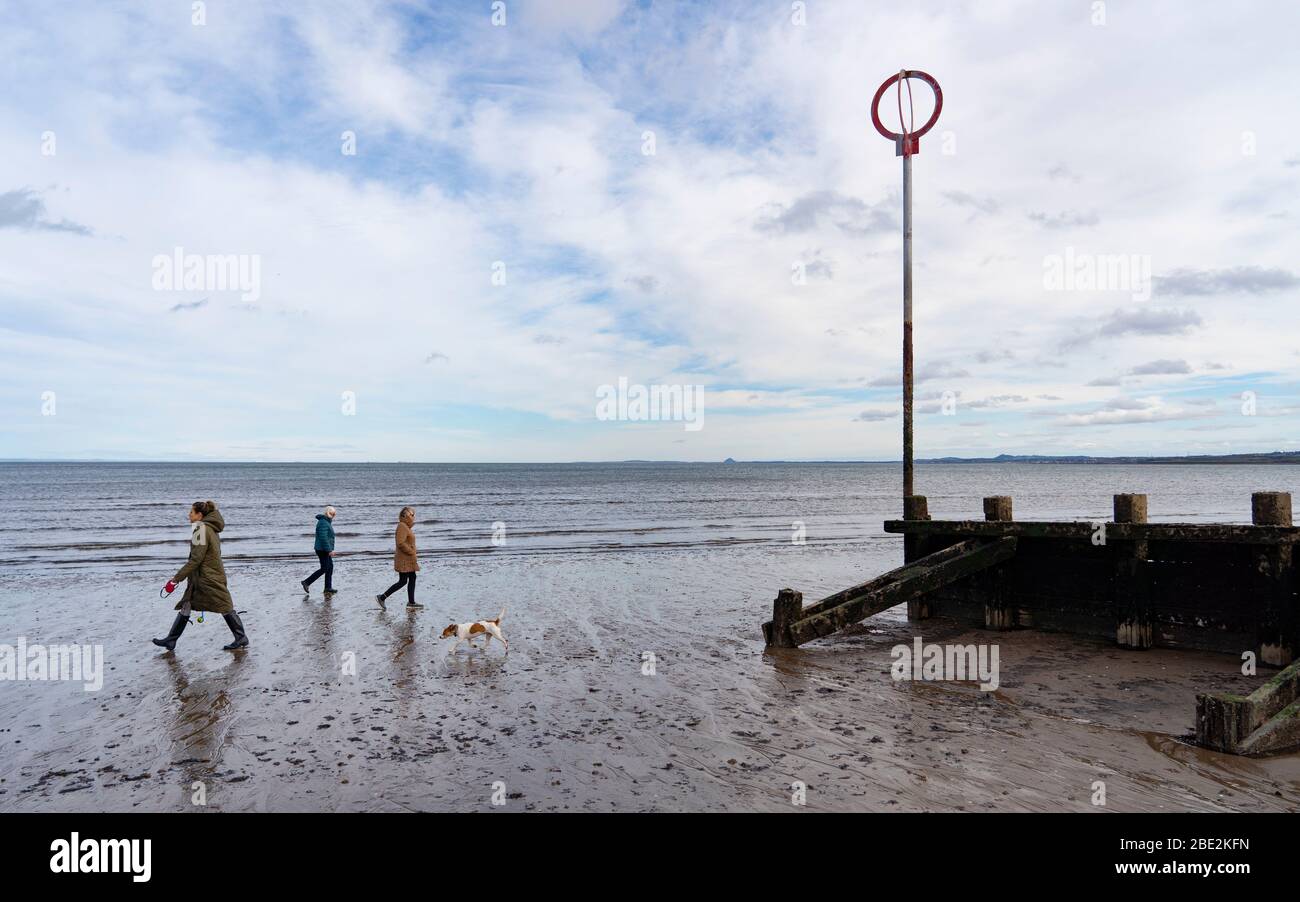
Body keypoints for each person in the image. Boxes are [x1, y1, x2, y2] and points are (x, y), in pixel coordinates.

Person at [153, 501, 248, 651]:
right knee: (187, 604)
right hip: (206, 575)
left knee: (224, 605)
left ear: (199, 515)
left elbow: (196, 559)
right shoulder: (210, 528)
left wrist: (176, 579)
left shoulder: (200, 529)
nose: (188, 515)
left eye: (191, 512)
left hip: (207, 578)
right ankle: (171, 640)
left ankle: (240, 637)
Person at [376, 506, 422, 610]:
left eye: (413, 515)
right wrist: (411, 551)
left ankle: (411, 602)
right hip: (404, 559)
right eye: (411, 515)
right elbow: (400, 543)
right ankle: (382, 597)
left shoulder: (405, 526)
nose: (413, 516)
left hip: (408, 559)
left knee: (412, 577)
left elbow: (406, 540)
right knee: (403, 581)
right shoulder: (402, 526)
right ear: (405, 515)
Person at [301, 506, 337, 597]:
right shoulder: (323, 523)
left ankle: (328, 588)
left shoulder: (326, 521)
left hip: (324, 549)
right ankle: (306, 582)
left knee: (330, 567)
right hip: (322, 549)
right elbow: (323, 538)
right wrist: (329, 550)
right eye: (331, 513)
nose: (332, 515)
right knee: (324, 568)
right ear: (327, 513)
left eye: (333, 514)